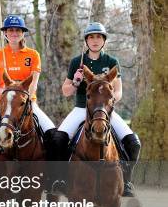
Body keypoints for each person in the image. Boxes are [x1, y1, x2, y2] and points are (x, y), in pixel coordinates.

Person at [50, 22, 141, 197]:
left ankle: (127, 181)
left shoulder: (112, 61)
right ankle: (60, 179)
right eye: (91, 37)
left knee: (133, 142)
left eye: (98, 37)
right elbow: (66, 91)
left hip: (105, 111)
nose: (95, 40)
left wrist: (109, 101)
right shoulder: (78, 61)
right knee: (58, 139)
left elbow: (119, 90)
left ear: (104, 40)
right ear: (86, 40)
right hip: (81, 109)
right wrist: (76, 81)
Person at [0, 15, 58, 161]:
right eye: (10, 30)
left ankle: (55, 178)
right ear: (5, 33)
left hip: (28, 104)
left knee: (53, 135)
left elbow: (34, 83)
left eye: (18, 30)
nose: (14, 33)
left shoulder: (33, 55)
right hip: (3, 105)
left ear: (23, 33)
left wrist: (21, 98)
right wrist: (7, 94)